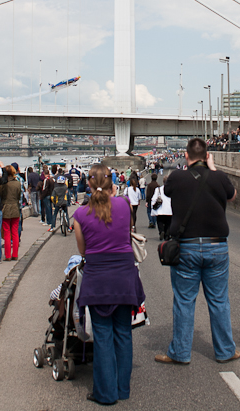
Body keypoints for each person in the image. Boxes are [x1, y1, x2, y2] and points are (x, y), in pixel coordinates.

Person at [156, 138, 240, 365]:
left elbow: (169, 191)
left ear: (186, 155)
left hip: (187, 247)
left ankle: (180, 353)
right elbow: (231, 195)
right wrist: (211, 168)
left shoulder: (177, 177)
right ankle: (225, 351)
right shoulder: (219, 178)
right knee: (219, 300)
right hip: (217, 246)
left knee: (184, 301)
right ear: (207, 156)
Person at [73, 164, 145, 406]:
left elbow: (82, 250)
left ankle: (105, 393)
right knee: (123, 333)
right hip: (124, 277)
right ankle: (122, 388)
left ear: (89, 184)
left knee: (102, 336)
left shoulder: (80, 214)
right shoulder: (124, 205)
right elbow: (128, 231)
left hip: (97, 280)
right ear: (112, 182)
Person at [0, 165, 21, 261]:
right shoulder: (17, 184)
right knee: (15, 232)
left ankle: (7, 255)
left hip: (5, 208)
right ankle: (15, 254)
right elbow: (18, 196)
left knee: (7, 232)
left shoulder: (3, 184)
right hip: (15, 207)